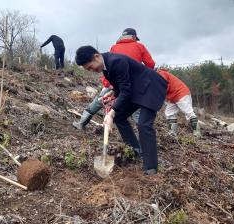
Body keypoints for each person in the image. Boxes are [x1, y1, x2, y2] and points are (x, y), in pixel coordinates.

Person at [75, 46, 168, 175]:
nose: (92, 70)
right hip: (137, 91)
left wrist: (111, 113)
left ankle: (151, 168)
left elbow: (126, 91)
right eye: (88, 69)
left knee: (143, 124)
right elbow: (122, 86)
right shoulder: (106, 68)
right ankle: (135, 149)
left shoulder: (116, 61)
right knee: (119, 117)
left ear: (96, 56)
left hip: (151, 87)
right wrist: (112, 93)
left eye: (91, 67)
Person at [73, 28, 155, 129]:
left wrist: (107, 83)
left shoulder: (114, 47)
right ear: (134, 37)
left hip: (114, 83)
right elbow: (150, 64)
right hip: (133, 84)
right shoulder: (140, 46)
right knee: (136, 112)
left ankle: (81, 123)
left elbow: (105, 66)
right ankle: (144, 136)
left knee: (99, 100)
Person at [157, 69, 201, 137]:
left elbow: (164, 86)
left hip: (181, 93)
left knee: (188, 112)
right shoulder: (157, 76)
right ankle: (172, 133)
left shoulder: (161, 74)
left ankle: (197, 133)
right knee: (169, 113)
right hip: (172, 97)